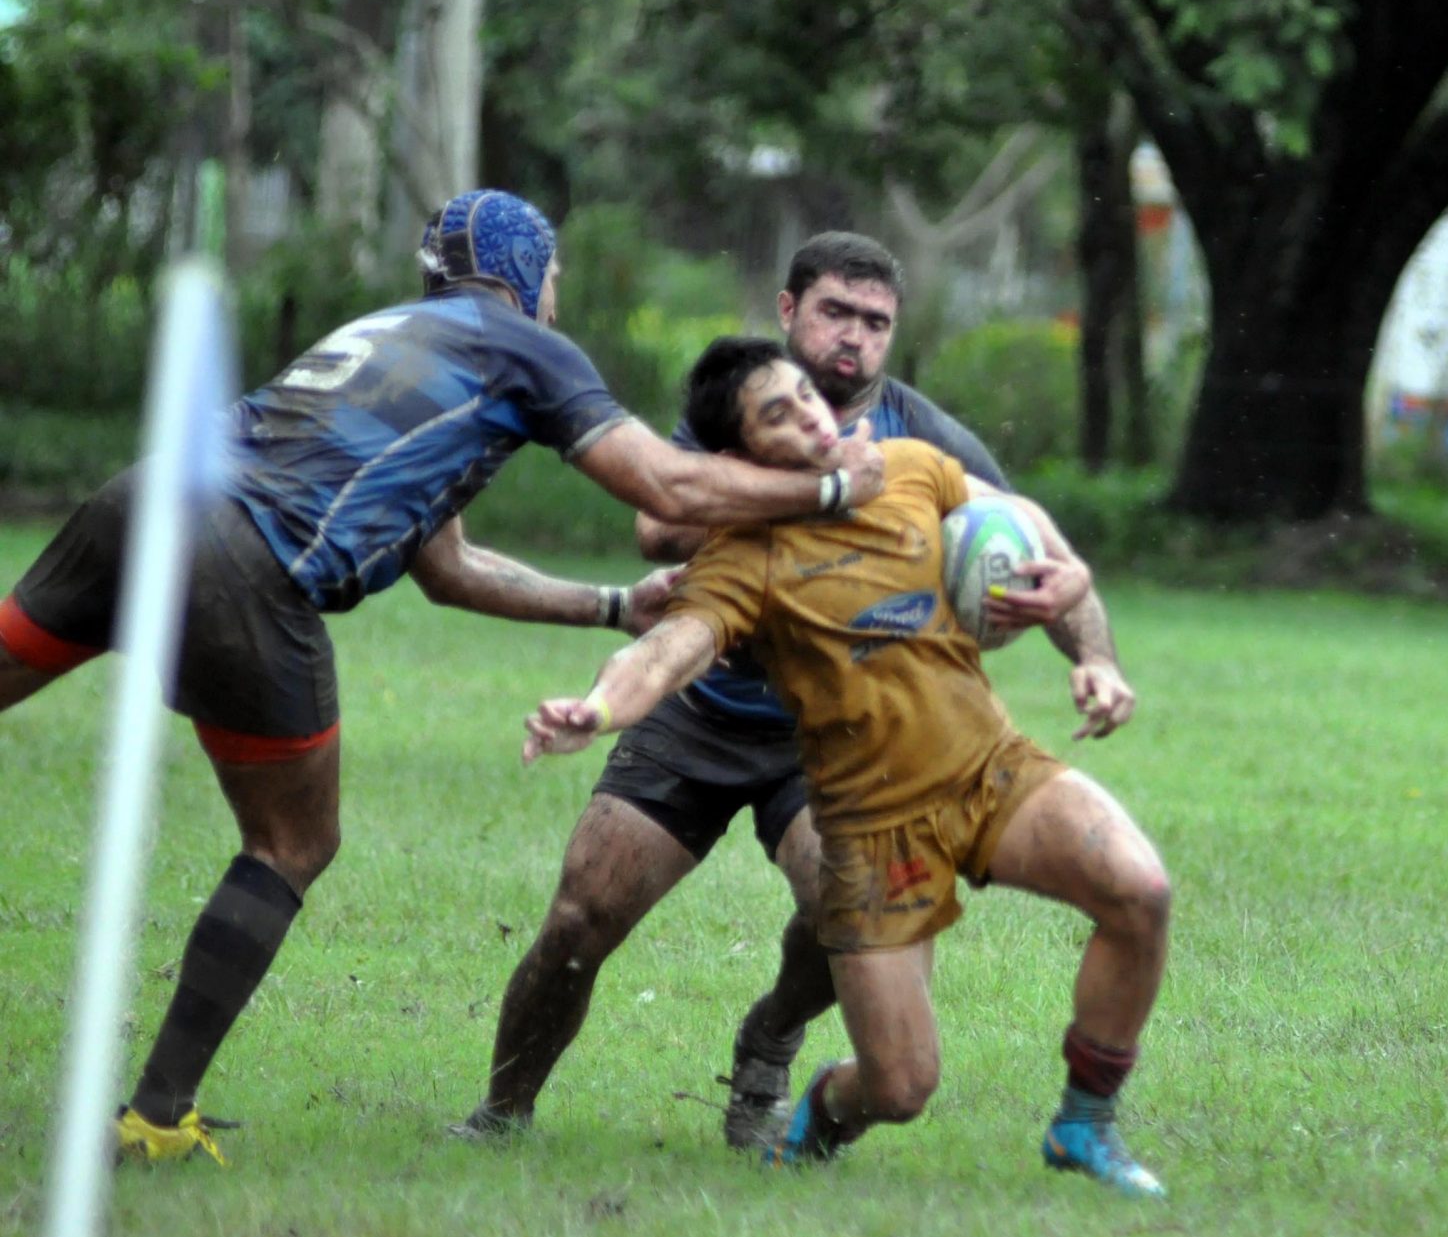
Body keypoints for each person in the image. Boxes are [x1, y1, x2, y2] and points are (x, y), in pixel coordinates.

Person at [0, 190, 885, 1165]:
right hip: (240, 557)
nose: (555, 295)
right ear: (527, 274)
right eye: (551, 276)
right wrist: (834, 485)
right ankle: (156, 1116)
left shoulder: (399, 333)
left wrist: (606, 605)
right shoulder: (526, 346)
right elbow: (667, 487)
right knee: (293, 839)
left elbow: (448, 566)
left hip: (134, 505)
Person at [452, 233, 1131, 1146]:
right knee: (584, 910)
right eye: (834, 314)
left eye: (875, 323)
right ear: (788, 311)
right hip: (702, 708)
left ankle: (772, 1035)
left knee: (835, 907)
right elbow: (659, 530)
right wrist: (811, 494)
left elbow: (1028, 541)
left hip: (841, 737)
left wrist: (1094, 653)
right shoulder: (741, 405)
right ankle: (503, 1109)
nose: (853, 339)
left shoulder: (921, 444)